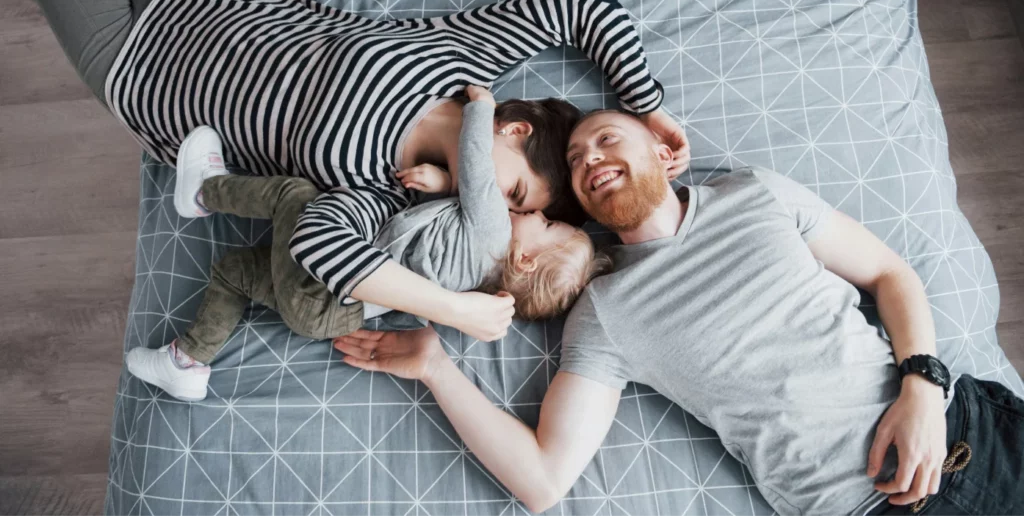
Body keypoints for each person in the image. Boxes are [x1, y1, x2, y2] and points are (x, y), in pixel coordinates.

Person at [0, 0, 689, 337]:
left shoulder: (384, 197)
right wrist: (649, 109)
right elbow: (583, 7)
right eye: (512, 190)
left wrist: (453, 309)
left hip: (141, 71)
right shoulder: (461, 62)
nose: (493, 210)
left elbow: (318, 246)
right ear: (512, 130)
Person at [335, 110, 1024, 516]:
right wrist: (436, 368)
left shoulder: (754, 191)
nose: (590, 159)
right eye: (575, 161)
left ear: (664, 150)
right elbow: (544, 481)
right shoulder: (605, 311)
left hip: (965, 433)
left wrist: (923, 387)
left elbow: (888, 272)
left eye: (607, 139)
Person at [125, 87, 608, 401]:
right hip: (327, 315)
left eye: (545, 225)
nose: (535, 214)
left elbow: (478, 165)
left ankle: (204, 191)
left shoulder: (494, 233)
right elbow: (446, 227)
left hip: (324, 283)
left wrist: (482, 105)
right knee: (235, 270)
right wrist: (441, 181)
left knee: (296, 194)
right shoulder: (477, 287)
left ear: (523, 258)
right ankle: (187, 361)